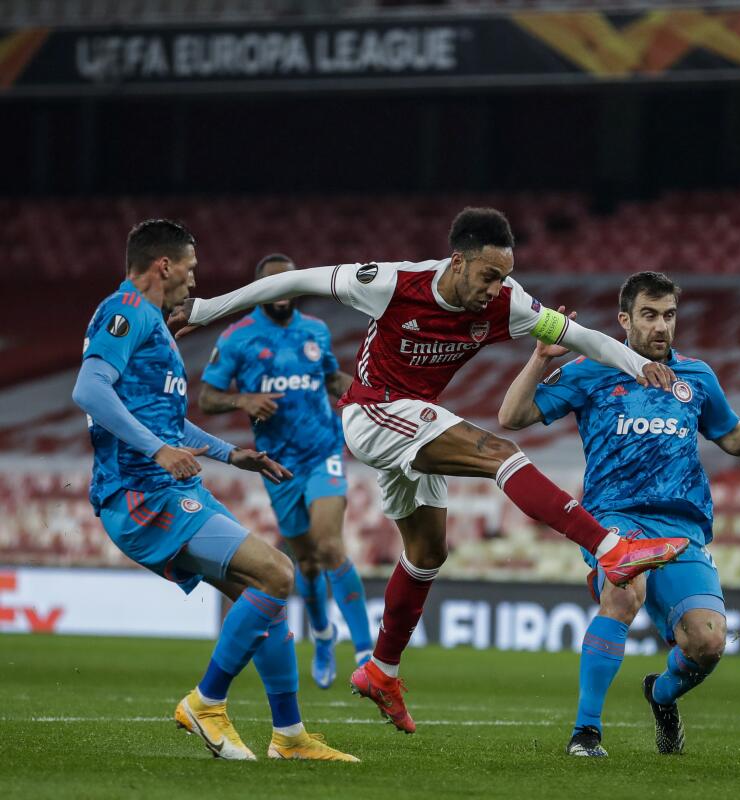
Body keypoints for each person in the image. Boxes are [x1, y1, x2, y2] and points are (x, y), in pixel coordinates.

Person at [172, 207, 691, 734]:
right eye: (488, 275)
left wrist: (636, 364)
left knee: (427, 553)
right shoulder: (392, 282)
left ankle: (382, 670)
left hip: (414, 424)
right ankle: (611, 549)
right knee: (499, 454)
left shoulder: (509, 302)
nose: (495, 288)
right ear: (459, 261)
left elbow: (585, 339)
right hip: (371, 411)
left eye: (503, 276)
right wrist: (206, 308)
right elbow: (297, 279)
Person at [497, 271, 740, 756]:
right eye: (649, 315)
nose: (661, 326)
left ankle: (660, 695)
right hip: (614, 519)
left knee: (708, 642)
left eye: (669, 315)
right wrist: (538, 360)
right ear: (624, 320)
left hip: (682, 529)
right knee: (625, 590)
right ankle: (586, 731)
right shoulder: (592, 369)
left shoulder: (697, 377)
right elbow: (512, 416)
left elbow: (736, 438)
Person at [72, 219, 356, 761]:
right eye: (191, 267)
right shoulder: (126, 308)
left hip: (169, 486)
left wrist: (233, 456)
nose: (194, 278)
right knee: (277, 571)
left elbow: (168, 419)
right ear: (164, 266)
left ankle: (289, 737)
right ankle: (206, 702)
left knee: (266, 601)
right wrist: (156, 450)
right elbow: (89, 388)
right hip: (140, 491)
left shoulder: (150, 324)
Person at [199, 253, 373, 688]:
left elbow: (331, 378)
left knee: (330, 546)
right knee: (308, 562)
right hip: (278, 466)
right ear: (260, 291)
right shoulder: (238, 338)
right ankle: (323, 636)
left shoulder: (315, 330)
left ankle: (369, 651)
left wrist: (371, 396)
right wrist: (242, 401)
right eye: (272, 285)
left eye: (289, 283)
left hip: (324, 450)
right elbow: (207, 397)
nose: (282, 292)